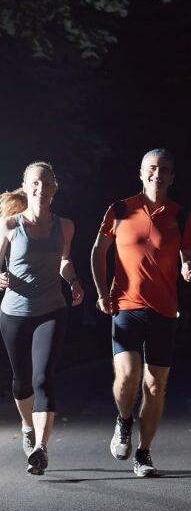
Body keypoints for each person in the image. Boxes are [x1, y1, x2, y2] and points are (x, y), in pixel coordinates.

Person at [90, 149, 191, 478]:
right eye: (152, 168)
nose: (158, 173)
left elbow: (189, 257)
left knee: (156, 386)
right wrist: (101, 292)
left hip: (165, 310)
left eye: (165, 169)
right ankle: (124, 421)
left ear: (172, 177)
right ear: (141, 173)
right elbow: (99, 250)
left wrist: (190, 269)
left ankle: (144, 453)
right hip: (126, 305)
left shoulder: (181, 216)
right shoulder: (120, 210)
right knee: (128, 376)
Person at [0, 162, 84, 475]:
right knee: (22, 383)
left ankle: (40, 448)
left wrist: (73, 280)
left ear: (54, 190)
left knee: (43, 379)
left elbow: (64, 260)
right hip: (14, 313)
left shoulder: (65, 226)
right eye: (36, 183)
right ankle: (27, 425)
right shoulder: (9, 225)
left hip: (51, 310)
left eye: (47, 184)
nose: (42, 189)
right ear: (26, 186)